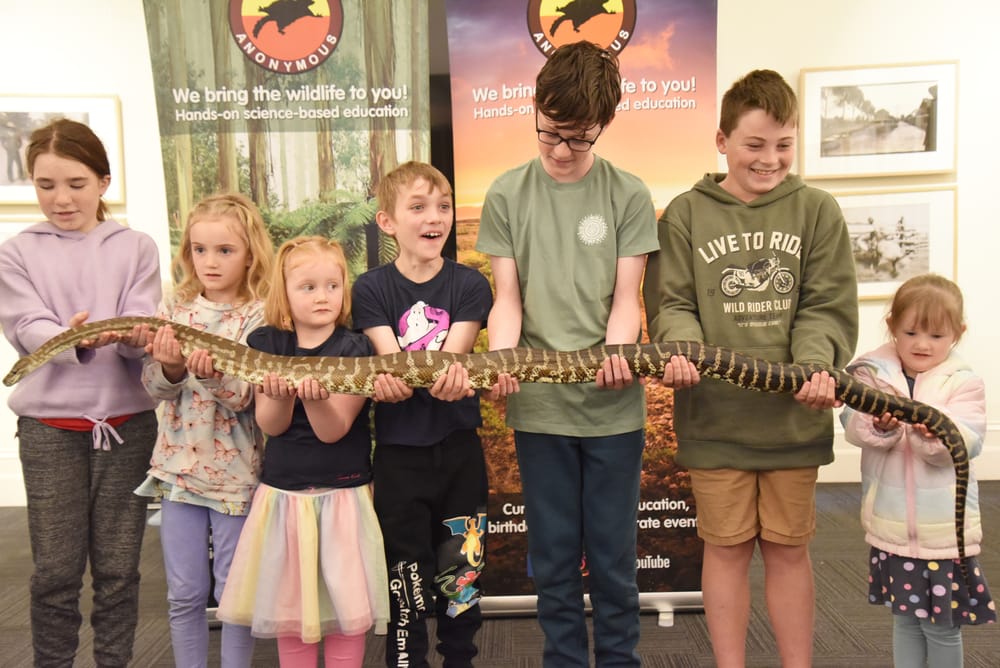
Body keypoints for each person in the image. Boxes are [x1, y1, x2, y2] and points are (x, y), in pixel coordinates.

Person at [642, 69, 859, 668]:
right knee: (727, 548)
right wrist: (681, 349)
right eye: (754, 145)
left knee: (790, 551)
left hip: (793, 422)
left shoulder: (817, 211)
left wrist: (817, 366)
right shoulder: (686, 214)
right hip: (715, 421)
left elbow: (825, 304)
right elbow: (674, 303)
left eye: (783, 145)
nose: (770, 159)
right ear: (722, 140)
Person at [476, 41, 659, 666]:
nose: (560, 150)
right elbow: (508, 300)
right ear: (535, 108)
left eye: (578, 138)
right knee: (552, 556)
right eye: (549, 132)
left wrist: (617, 353)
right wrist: (501, 363)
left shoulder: (628, 195)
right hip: (541, 409)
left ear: (603, 126)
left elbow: (628, 299)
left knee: (613, 558)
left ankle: (619, 660)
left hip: (614, 410)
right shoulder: (506, 194)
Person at [0, 118, 161, 667]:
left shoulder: (136, 246)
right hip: (49, 435)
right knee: (55, 572)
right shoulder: (15, 252)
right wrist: (73, 337)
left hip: (128, 429)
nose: (60, 198)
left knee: (119, 570)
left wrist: (138, 341)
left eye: (75, 183)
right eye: (45, 185)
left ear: (103, 183)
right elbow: (26, 327)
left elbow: (143, 337)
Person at [216, 236, 388, 668]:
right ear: (285, 292)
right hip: (284, 499)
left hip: (344, 498)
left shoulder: (355, 348)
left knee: (348, 617)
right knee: (292, 618)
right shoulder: (266, 343)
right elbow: (270, 425)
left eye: (332, 285)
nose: (322, 296)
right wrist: (280, 395)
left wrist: (313, 397)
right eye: (308, 287)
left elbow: (335, 430)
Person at [352, 161, 492, 668]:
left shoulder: (471, 286)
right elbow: (401, 369)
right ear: (387, 221)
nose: (434, 217)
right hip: (398, 459)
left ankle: (460, 661)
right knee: (406, 578)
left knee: (462, 576)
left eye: (443, 206)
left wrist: (422, 377)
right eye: (418, 207)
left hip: (459, 453)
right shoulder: (370, 289)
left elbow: (440, 370)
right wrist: (402, 378)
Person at [136, 192, 275, 667]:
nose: (209, 262)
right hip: (176, 474)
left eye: (225, 250)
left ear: (251, 253)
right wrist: (172, 368)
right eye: (199, 249)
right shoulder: (173, 309)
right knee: (184, 594)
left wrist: (213, 374)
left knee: (234, 594)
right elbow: (154, 387)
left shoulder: (260, 316)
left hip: (236, 475)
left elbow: (245, 398)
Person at [840, 274, 995, 667]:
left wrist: (935, 436)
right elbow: (851, 423)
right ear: (892, 326)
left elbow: (969, 440)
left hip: (943, 534)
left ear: (958, 334)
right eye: (911, 332)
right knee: (905, 620)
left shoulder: (963, 382)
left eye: (936, 336)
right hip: (890, 529)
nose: (922, 344)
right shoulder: (871, 374)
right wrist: (880, 425)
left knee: (942, 627)